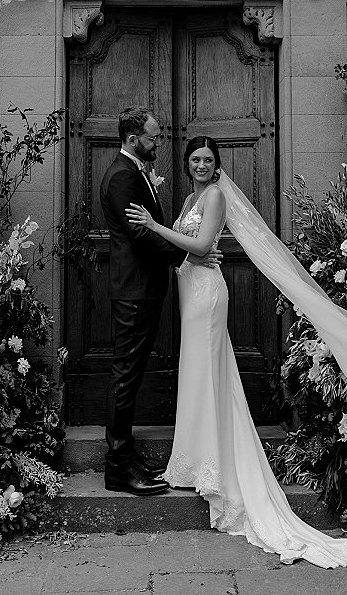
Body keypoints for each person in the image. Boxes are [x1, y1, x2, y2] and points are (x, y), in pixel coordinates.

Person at [125, 136, 347, 567]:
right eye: (195, 159)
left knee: (206, 373)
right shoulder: (191, 196)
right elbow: (191, 250)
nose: (201, 165)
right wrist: (184, 249)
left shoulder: (214, 194)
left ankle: (213, 464)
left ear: (217, 166)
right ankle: (194, 460)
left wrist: (153, 225)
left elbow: (200, 246)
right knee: (197, 374)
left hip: (206, 297)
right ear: (187, 164)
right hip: (189, 290)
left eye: (208, 160)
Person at [100, 109, 220, 496]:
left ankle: (127, 456)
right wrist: (188, 257)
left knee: (130, 378)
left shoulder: (135, 172)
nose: (157, 144)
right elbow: (142, 235)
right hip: (134, 291)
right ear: (134, 138)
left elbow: (153, 226)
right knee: (124, 378)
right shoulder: (121, 176)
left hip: (145, 289)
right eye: (152, 138)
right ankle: (117, 469)